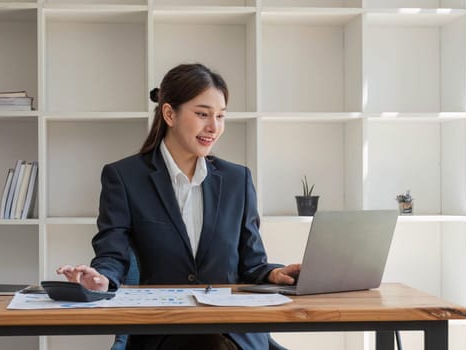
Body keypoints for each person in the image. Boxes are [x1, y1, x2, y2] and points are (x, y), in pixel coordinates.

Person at [56, 63, 301, 350]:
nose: (214, 127)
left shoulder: (237, 179)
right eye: (202, 114)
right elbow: (113, 255)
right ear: (169, 113)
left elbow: (252, 264)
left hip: (233, 330)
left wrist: (275, 274)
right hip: (163, 330)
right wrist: (101, 280)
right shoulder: (124, 178)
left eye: (220, 116)